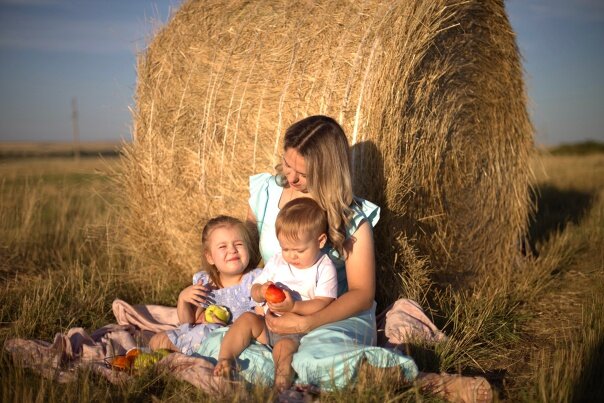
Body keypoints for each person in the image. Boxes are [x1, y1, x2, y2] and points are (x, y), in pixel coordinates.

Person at [197, 116, 492, 402]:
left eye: (303, 172)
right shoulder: (267, 192)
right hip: (274, 320)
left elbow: (362, 294)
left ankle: (428, 384)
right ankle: (294, 377)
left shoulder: (351, 218)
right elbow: (247, 265)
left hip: (335, 315)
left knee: (314, 356)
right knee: (216, 344)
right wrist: (214, 296)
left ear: (327, 172)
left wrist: (306, 322)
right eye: (287, 164)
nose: (290, 177)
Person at [214, 198, 337, 391]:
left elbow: (324, 302)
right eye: (286, 248)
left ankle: (281, 385)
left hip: (295, 330)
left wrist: (294, 307)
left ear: (320, 241)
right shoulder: (278, 260)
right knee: (246, 319)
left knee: (283, 348)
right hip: (267, 323)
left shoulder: (324, 266)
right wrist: (261, 291)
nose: (291, 256)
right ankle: (225, 359)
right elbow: (254, 290)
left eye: (299, 250)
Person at [148, 215, 261, 355]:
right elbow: (188, 324)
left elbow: (260, 322)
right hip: (206, 338)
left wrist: (225, 327)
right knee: (157, 340)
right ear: (210, 257)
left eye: (238, 244)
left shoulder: (254, 281)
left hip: (240, 343)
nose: (232, 250)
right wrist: (183, 299)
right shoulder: (206, 283)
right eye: (222, 246)